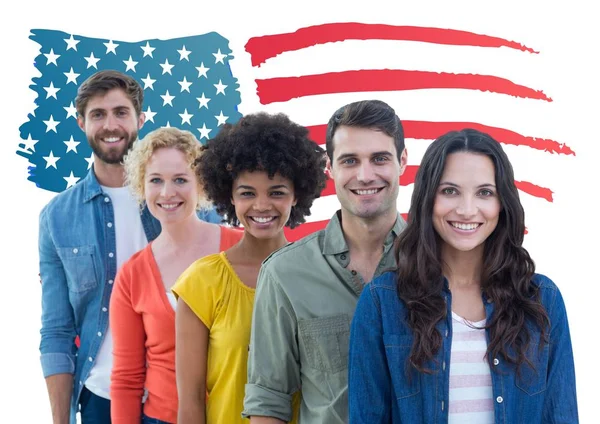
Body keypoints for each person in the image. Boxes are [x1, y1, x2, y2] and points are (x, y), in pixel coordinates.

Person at [348, 129, 578, 423]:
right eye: (450, 191)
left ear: (501, 203)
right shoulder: (382, 302)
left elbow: (560, 416)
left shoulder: (542, 299)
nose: (467, 210)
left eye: (484, 192)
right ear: (428, 199)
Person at [37, 70, 222, 424]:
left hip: (185, 397)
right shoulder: (57, 218)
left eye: (121, 112)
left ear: (140, 119)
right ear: (81, 123)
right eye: (98, 114)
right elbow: (57, 331)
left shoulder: (191, 203)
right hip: (101, 399)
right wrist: (61, 419)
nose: (111, 125)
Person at [242, 100, 408, 424]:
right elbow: (268, 401)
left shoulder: (442, 263)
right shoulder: (284, 273)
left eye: (379, 158)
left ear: (402, 161)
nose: (365, 174)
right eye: (350, 160)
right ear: (329, 167)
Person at [172, 112, 327, 424]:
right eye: (247, 193)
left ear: (296, 194)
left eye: (276, 192)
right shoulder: (202, 282)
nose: (262, 205)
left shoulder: (321, 275)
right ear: (229, 195)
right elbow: (189, 404)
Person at [109, 127, 243, 424]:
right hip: (162, 418)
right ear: (141, 186)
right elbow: (127, 377)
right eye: (156, 180)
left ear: (201, 184)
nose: (167, 193)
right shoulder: (132, 275)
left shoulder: (242, 248)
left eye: (180, 180)